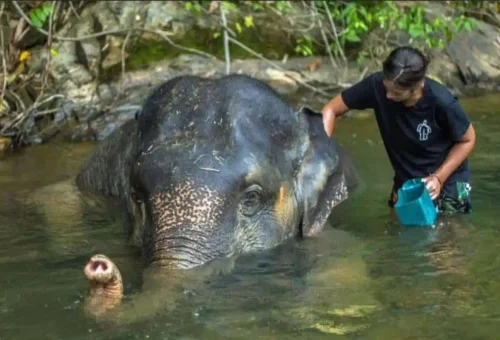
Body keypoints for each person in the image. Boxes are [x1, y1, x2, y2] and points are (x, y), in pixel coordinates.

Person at [321, 46, 475, 214]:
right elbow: (331, 109)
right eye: (387, 88)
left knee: (447, 235)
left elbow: (468, 139)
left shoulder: (442, 102)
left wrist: (438, 178)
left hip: (447, 180)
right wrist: (320, 152)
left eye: (396, 92)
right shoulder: (376, 86)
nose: (387, 96)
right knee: (398, 232)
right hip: (407, 182)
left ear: (418, 86)